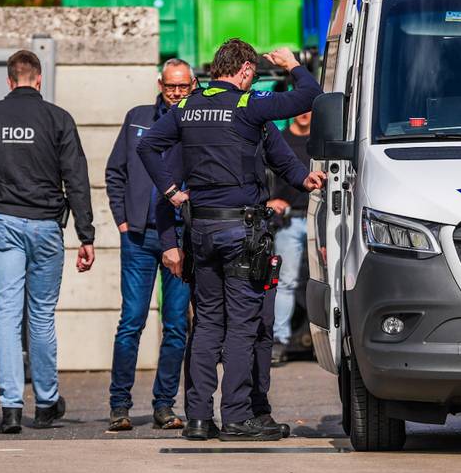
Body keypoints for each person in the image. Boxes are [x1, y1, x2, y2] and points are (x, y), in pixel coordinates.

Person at [137, 40, 322, 441]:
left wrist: (171, 192)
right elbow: (310, 96)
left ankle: (199, 417)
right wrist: (292, 64)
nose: (251, 80)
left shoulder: (187, 107)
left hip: (200, 232)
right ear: (241, 71)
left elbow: (147, 145)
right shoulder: (247, 104)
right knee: (242, 325)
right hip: (241, 232)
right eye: (251, 74)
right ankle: (237, 415)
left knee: (206, 324)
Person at [0, 50, 96, 435]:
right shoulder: (58, 119)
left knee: (6, 315)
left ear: (9, 81)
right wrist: (86, 235)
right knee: (40, 316)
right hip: (46, 227)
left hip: (3, 224)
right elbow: (77, 180)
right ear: (39, 80)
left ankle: (11, 408)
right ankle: (48, 402)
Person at [103, 59, 195, 432]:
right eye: (170, 86)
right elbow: (115, 171)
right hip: (139, 237)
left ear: (193, 84)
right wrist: (123, 221)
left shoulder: (196, 122)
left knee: (175, 326)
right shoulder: (138, 117)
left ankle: (164, 405)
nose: (175, 93)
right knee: (131, 322)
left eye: (182, 87)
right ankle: (119, 405)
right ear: (160, 84)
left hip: (180, 237)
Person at [266, 110, 313, 365]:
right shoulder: (279, 141)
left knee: (328, 282)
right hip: (289, 220)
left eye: (310, 109)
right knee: (286, 282)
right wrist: (268, 200)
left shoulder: (320, 143)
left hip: (320, 219)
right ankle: (280, 341)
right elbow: (260, 176)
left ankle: (324, 341)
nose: (304, 114)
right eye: (300, 109)